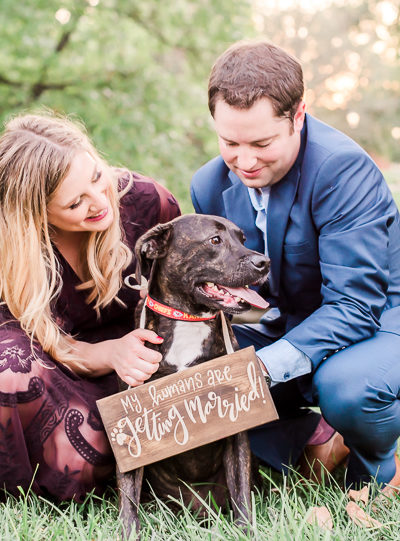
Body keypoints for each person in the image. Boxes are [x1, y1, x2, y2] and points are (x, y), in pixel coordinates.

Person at [191, 39, 400, 490]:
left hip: (381, 315)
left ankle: (382, 466)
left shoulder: (342, 170)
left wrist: (260, 371)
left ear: (298, 116)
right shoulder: (208, 185)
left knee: (347, 388)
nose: (243, 161)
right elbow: (242, 299)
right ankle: (313, 446)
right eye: (229, 142)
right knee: (193, 370)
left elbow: (356, 305)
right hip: (285, 320)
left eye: (262, 143)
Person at [0, 112, 180, 501]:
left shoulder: (148, 203)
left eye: (98, 177)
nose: (101, 202)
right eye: (76, 203)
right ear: (39, 215)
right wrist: (109, 353)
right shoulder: (14, 250)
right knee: (9, 365)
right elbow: (34, 338)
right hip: (59, 365)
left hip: (147, 359)